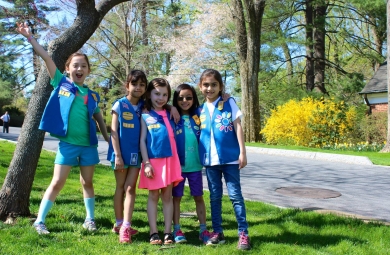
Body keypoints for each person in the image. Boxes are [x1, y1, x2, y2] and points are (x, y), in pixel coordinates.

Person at [15, 22, 109, 235]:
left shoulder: (92, 95)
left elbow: (99, 119)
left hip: (88, 146)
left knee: (88, 182)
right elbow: (47, 58)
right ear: (68, 69)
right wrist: (30, 38)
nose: (79, 69)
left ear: (88, 70)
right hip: (67, 145)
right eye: (75, 65)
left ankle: (90, 219)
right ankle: (39, 221)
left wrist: (108, 138)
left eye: (83, 66)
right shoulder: (61, 83)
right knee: (57, 182)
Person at [197, 69, 251, 250]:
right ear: (200, 87)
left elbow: (238, 126)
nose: (209, 88)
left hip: (230, 159)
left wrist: (242, 152)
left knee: (235, 196)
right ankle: (218, 231)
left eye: (214, 85)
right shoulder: (199, 110)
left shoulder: (229, 103)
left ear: (220, 87)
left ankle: (243, 233)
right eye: (206, 85)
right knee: (214, 197)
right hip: (210, 162)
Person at [139, 78, 183, 245]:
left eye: (165, 95)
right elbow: (142, 140)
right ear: (149, 94)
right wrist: (147, 163)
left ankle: (167, 232)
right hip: (153, 162)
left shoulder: (171, 112)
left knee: (167, 196)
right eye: (157, 94)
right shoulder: (145, 114)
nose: (161, 98)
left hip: (170, 161)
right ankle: (153, 232)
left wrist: (172, 107)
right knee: (153, 195)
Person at [106, 70, 147, 243]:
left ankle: (126, 226)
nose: (138, 88)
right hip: (120, 154)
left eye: (142, 85)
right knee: (121, 187)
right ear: (127, 85)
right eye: (134, 84)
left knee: (131, 189)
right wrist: (117, 155)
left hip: (136, 155)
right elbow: (114, 131)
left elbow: (163, 103)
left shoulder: (145, 106)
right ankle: (119, 222)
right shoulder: (119, 105)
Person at [171, 83, 210, 244]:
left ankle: (203, 229)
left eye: (189, 97)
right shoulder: (171, 115)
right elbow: (153, 102)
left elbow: (214, 104)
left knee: (198, 197)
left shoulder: (199, 114)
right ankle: (177, 229)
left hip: (195, 167)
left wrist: (226, 98)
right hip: (178, 167)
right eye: (180, 98)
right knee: (176, 198)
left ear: (194, 98)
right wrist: (170, 107)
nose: (185, 100)